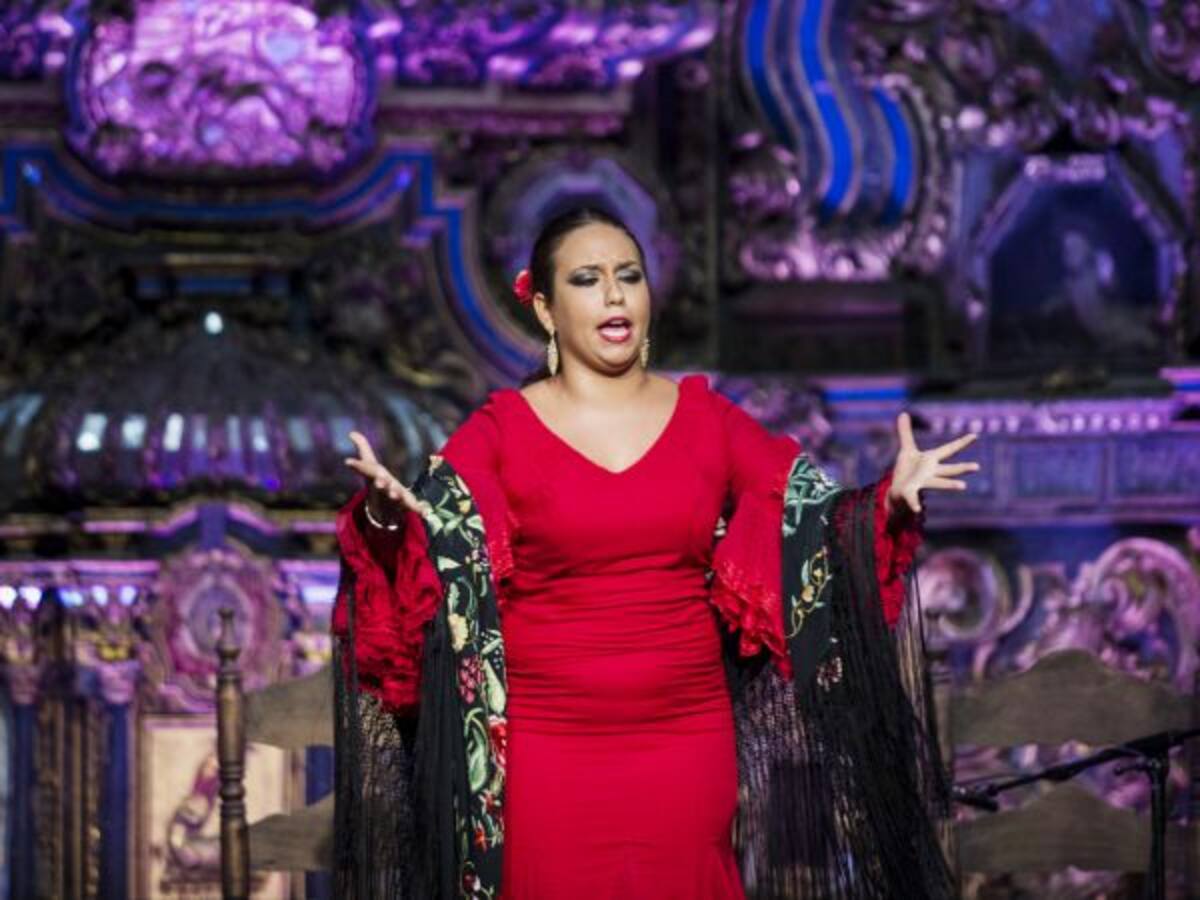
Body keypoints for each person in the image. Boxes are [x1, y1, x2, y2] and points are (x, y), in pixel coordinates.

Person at [332, 207, 980, 899]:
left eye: (629, 276)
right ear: (545, 309)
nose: (614, 294)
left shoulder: (708, 418)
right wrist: (383, 520)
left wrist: (886, 503)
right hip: (546, 748)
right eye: (587, 279)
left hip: (685, 742)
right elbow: (431, 553)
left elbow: (812, 522)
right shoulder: (501, 430)